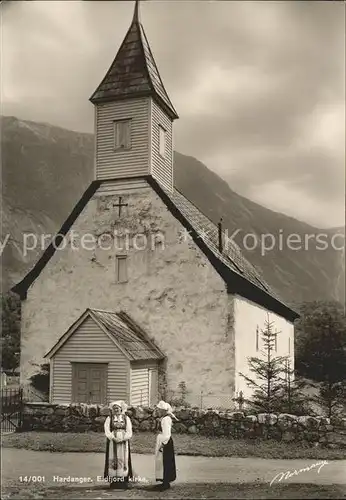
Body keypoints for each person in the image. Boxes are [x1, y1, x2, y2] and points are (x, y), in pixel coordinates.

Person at [103, 400, 133, 489]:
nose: (116, 410)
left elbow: (129, 430)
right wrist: (113, 437)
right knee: (113, 458)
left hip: (123, 442)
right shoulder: (109, 418)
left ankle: (123, 479)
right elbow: (107, 430)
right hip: (113, 442)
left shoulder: (126, 418)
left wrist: (124, 438)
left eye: (117, 408)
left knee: (124, 457)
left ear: (121, 409)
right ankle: (114, 480)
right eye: (114, 408)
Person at [154, 400, 178, 491]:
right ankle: (164, 480)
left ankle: (166, 482)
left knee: (165, 461)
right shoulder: (164, 418)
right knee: (163, 461)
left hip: (165, 441)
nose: (158, 411)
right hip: (164, 440)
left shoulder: (165, 419)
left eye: (159, 409)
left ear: (163, 410)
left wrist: (163, 444)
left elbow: (167, 434)